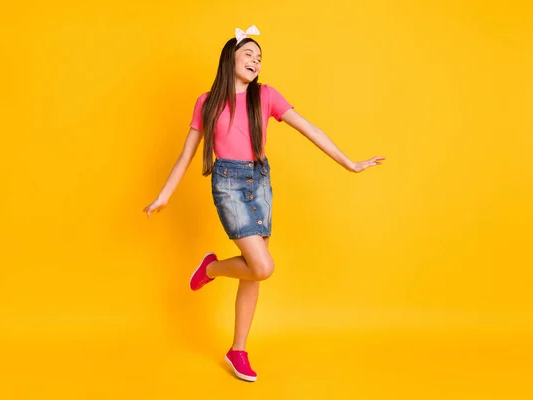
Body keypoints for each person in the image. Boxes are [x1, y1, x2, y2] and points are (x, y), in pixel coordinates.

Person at [143, 25, 385, 382]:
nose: (255, 62)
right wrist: (164, 195)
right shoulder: (206, 101)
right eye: (248, 55)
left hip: (260, 182)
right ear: (230, 59)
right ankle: (209, 269)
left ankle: (238, 349)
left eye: (259, 58)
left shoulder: (266, 96)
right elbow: (186, 154)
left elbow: (309, 127)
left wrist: (347, 162)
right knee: (261, 266)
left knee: (254, 274)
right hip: (228, 184)